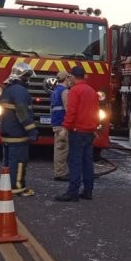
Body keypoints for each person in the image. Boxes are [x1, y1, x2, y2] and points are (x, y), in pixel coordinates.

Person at [55, 65, 98, 202]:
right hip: (89, 131)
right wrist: (95, 128)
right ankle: (88, 191)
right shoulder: (92, 91)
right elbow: (95, 112)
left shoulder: (74, 91)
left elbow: (71, 112)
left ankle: (73, 192)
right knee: (87, 162)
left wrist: (65, 128)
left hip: (77, 132)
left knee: (75, 162)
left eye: (70, 77)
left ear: (73, 77)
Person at [0, 61, 39, 196]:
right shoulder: (20, 91)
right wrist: (32, 131)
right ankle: (17, 188)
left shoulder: (8, 89)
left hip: (7, 132)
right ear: (23, 76)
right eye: (27, 76)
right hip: (17, 134)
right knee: (19, 162)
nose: (28, 79)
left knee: (8, 163)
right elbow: (22, 113)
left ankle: (5, 186)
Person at [50, 69, 73, 181]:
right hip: (62, 124)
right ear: (66, 78)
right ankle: (60, 173)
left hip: (56, 123)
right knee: (62, 149)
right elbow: (68, 108)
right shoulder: (65, 91)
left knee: (59, 147)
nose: (70, 80)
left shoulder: (55, 91)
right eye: (69, 78)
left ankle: (60, 171)